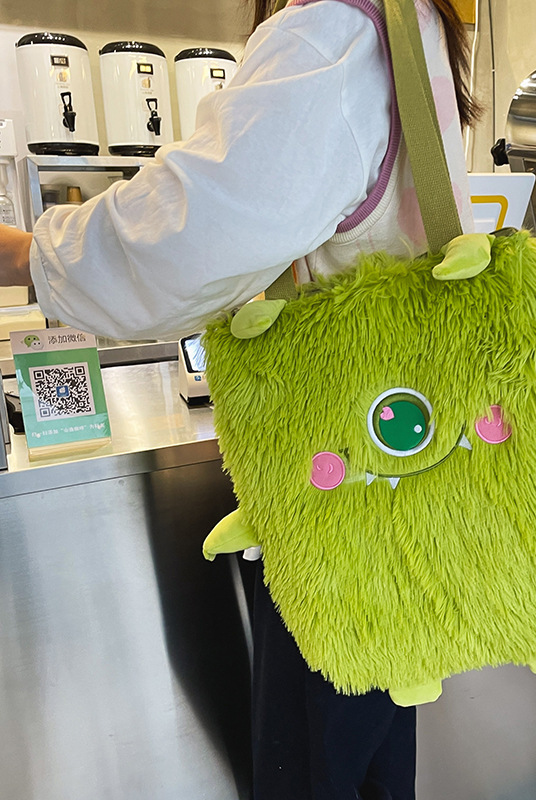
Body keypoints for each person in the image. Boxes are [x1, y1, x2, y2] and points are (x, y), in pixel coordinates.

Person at [0, 0, 477, 796]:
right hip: (403, 460)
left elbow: (195, 231)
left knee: (317, 742)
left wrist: (28, 254)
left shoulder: (331, 30)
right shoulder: (407, 19)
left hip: (333, 478)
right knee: (373, 735)